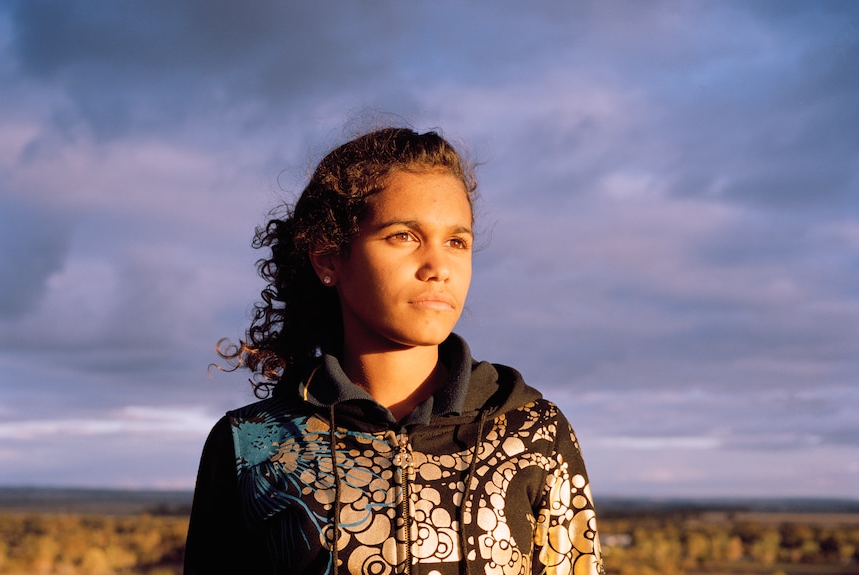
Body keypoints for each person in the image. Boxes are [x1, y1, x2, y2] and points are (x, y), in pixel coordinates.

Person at [184, 127, 604, 575]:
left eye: (457, 242)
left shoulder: (533, 431)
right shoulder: (250, 444)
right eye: (404, 235)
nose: (439, 267)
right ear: (328, 257)